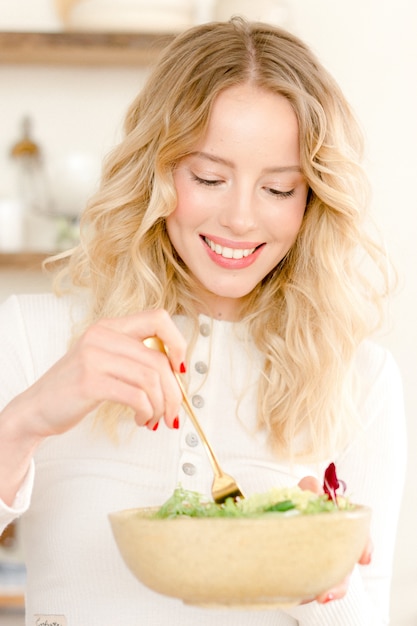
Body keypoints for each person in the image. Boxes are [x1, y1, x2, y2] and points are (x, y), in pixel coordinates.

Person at [0, 17, 406, 626]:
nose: (241, 218)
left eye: (279, 189)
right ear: (156, 172)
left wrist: (321, 574)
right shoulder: (36, 333)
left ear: (314, 198)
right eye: (210, 178)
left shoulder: (360, 378)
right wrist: (24, 421)